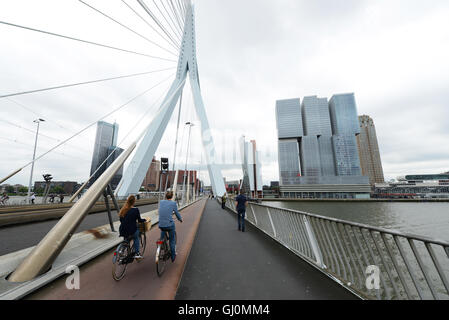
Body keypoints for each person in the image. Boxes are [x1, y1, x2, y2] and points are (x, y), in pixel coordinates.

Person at [158, 191, 183, 262]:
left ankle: (161, 242)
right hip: (169, 225)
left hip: (161, 224)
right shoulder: (173, 203)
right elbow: (176, 213)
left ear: (166, 196)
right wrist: (180, 219)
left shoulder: (161, 202)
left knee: (163, 229)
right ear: (172, 197)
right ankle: (173, 256)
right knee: (172, 240)